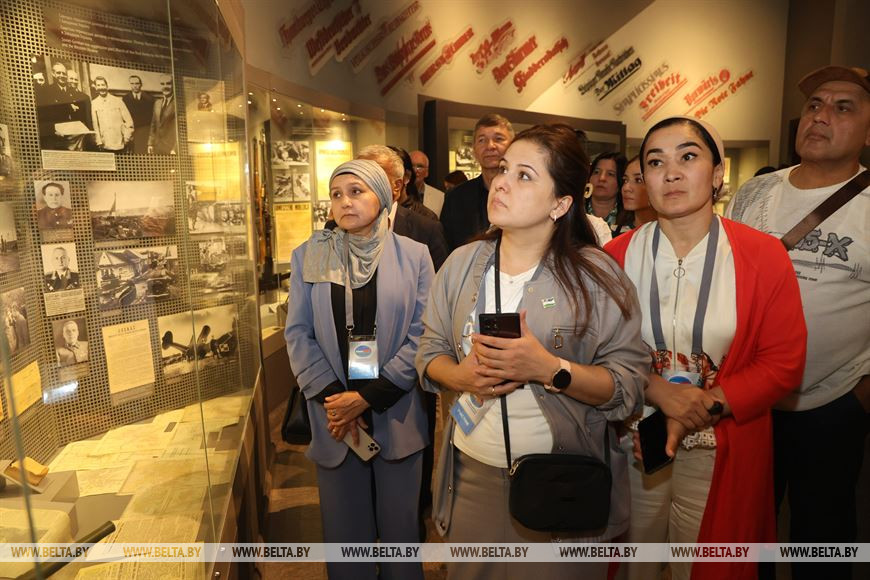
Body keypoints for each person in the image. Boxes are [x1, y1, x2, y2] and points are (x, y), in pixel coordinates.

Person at [416, 125, 648, 579]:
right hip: (472, 476)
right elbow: (430, 352)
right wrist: (460, 377)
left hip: (561, 481)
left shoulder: (597, 277)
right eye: (504, 170)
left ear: (560, 204)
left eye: (524, 175)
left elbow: (629, 387)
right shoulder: (461, 265)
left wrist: (551, 369)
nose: (501, 182)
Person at [605, 117, 807, 580]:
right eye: (656, 162)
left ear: (717, 174)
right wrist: (658, 390)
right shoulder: (612, 258)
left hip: (721, 441)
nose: (671, 172)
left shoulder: (762, 256)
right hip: (633, 442)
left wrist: (702, 405)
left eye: (688, 157)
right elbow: (595, 351)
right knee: (630, 565)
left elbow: (783, 362)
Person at [725, 65, 869, 580]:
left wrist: (860, 395)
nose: (821, 116)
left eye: (843, 107)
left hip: (833, 403)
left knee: (822, 537)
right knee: (748, 532)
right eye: (814, 105)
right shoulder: (754, 193)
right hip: (749, 400)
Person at [284, 160, 433, 580]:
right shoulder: (313, 253)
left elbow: (424, 333)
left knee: (401, 533)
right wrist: (340, 402)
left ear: (382, 197)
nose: (345, 202)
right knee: (345, 535)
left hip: (395, 410)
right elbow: (298, 333)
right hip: (334, 416)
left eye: (356, 191)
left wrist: (367, 398)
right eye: (336, 194)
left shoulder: (414, 256)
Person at [357, 145, 448, 271]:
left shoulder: (426, 227)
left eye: (375, 178)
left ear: (398, 184)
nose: (363, 184)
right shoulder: (341, 227)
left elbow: (439, 278)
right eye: (359, 177)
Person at [440, 113, 514, 250]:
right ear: (474, 150)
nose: (490, 146)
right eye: (482, 140)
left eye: (498, 139)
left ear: (513, 146)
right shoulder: (455, 198)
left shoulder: (525, 194)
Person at [36, 61, 92, 151]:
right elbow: (42, 117)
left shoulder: (71, 92)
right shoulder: (45, 91)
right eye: (58, 73)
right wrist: (52, 131)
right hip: (54, 138)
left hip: (72, 138)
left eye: (64, 73)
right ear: (53, 74)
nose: (61, 76)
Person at [586, 151, 632, 236]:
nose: (602, 178)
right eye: (596, 172)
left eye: (610, 174)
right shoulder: (575, 211)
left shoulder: (630, 217)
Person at [390, 147, 439, 222]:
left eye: (420, 166)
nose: (416, 170)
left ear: (407, 176)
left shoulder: (426, 217)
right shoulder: (377, 210)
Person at [91, 76, 134, 152]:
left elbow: (129, 121)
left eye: (103, 85)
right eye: (98, 85)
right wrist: (99, 142)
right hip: (105, 144)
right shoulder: (94, 103)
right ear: (96, 88)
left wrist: (126, 138)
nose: (101, 88)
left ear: (107, 86)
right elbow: (95, 126)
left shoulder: (118, 101)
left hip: (120, 144)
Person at [620, 155, 658, 229]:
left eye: (638, 180)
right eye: (625, 180)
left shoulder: (672, 233)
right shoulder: (615, 232)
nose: (626, 188)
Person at [122, 75, 155, 154]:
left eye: (137, 83)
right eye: (132, 83)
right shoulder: (125, 99)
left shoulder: (149, 98)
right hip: (131, 131)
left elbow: (152, 117)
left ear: (141, 84)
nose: (135, 86)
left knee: (142, 152)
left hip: (144, 131)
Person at [410, 150, 446, 217]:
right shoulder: (397, 195)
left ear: (427, 172)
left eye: (420, 166)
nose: (415, 170)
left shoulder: (440, 197)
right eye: (411, 166)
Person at [148, 75, 177, 155]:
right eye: (162, 84)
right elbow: (153, 124)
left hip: (171, 148)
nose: (165, 86)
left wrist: (175, 148)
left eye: (168, 83)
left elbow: (182, 129)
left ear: (173, 85)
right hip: (157, 146)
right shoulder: (157, 103)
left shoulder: (178, 103)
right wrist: (150, 143)